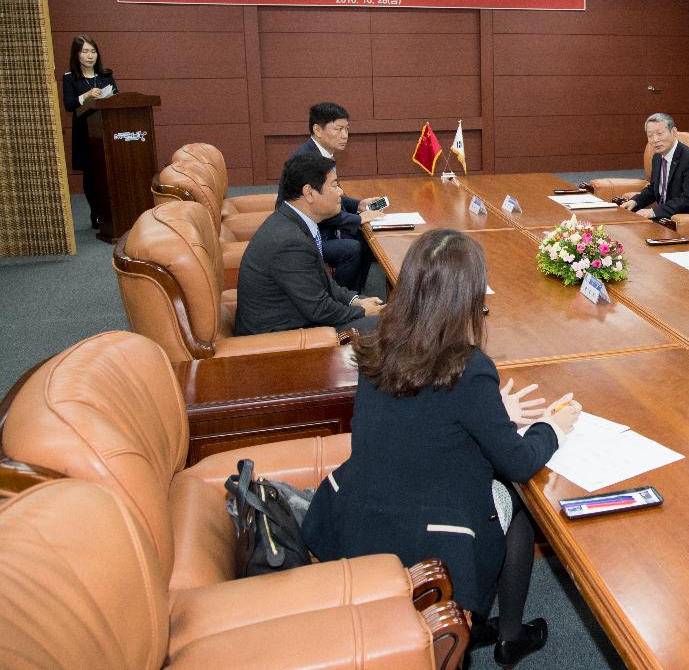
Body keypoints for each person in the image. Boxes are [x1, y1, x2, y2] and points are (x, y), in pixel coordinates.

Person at [303, 229, 581, 667]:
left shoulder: (377, 342)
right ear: (468, 298)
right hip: (427, 534)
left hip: (358, 513)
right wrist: (551, 427)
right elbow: (520, 461)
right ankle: (510, 635)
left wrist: (494, 410)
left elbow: (422, 414)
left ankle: (490, 623)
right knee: (518, 502)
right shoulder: (468, 368)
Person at [236, 153, 384, 336]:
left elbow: (323, 283)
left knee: (382, 310)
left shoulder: (294, 222)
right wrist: (362, 311)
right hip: (279, 335)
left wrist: (355, 301)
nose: (340, 192)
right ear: (309, 193)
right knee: (388, 326)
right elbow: (320, 309)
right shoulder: (289, 242)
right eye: (335, 185)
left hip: (297, 314)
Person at [276, 102, 379, 292]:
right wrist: (357, 219)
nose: (345, 135)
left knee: (365, 240)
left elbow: (329, 196)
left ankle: (355, 294)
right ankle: (342, 297)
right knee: (352, 248)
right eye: (338, 129)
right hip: (304, 236)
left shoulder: (322, 154)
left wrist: (359, 205)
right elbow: (319, 207)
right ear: (317, 129)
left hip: (319, 224)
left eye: (347, 129)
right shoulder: (306, 160)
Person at [61, 35, 118, 229]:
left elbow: (117, 98)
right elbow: (69, 105)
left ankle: (112, 212)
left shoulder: (105, 75)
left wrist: (110, 97)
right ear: (77, 54)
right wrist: (85, 96)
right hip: (84, 134)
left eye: (93, 51)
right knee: (91, 176)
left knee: (109, 172)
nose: (90, 55)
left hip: (106, 131)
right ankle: (96, 214)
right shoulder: (70, 78)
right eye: (85, 51)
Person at [619, 113, 689, 220]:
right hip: (666, 215)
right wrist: (634, 201)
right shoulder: (657, 157)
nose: (655, 139)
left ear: (674, 132)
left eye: (660, 133)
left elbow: (688, 199)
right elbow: (654, 189)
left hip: (688, 219)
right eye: (650, 136)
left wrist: (654, 211)